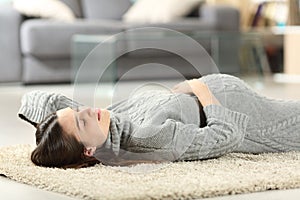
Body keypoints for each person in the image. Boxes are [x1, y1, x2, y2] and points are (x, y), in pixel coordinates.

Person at [18, 74, 300, 168]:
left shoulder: (106, 122)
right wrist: (199, 87)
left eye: (80, 112)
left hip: (243, 99)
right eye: (81, 122)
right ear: (88, 151)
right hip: (265, 124)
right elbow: (227, 135)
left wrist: (45, 131)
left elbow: (50, 100)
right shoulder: (145, 140)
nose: (88, 111)